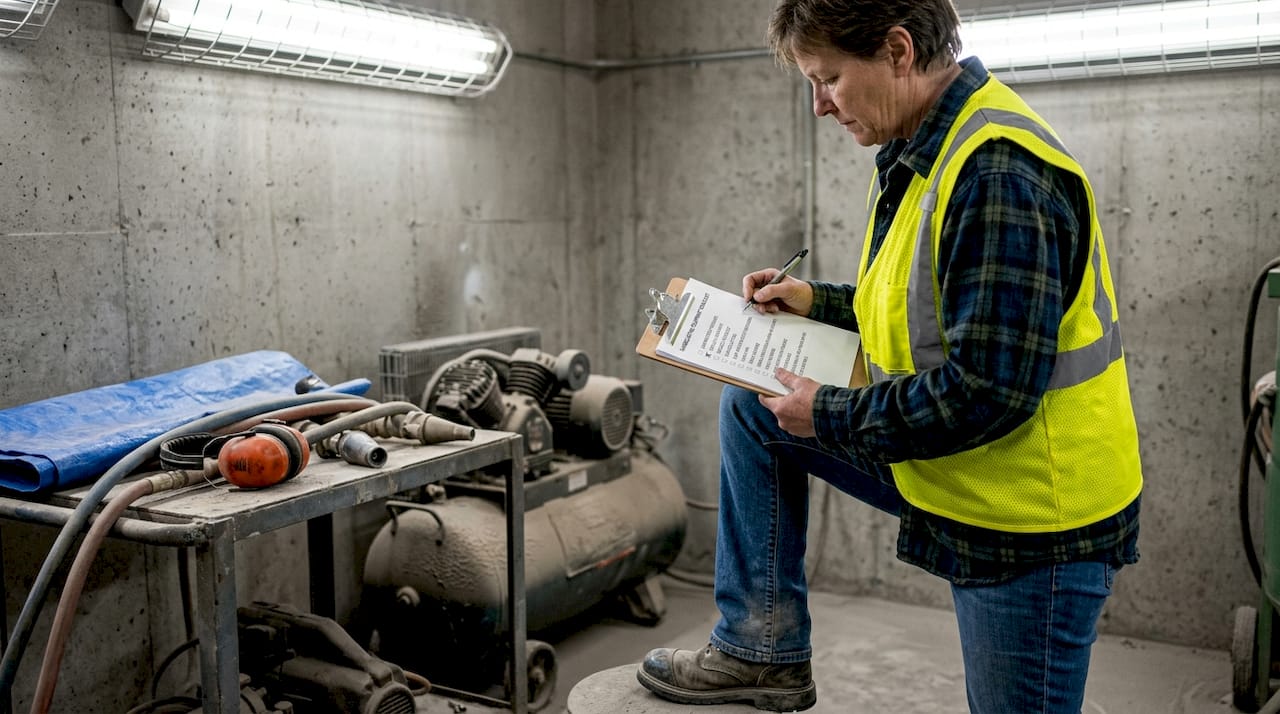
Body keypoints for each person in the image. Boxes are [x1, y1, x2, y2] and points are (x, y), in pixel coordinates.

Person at [635, 0, 1143, 712]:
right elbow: (916, 308)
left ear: (898, 51)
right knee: (755, 409)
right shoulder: (916, 150)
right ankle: (762, 650)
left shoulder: (996, 175)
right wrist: (815, 300)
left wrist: (831, 415)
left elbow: (986, 393)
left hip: (1034, 519)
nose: (819, 105)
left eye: (830, 78)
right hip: (967, 467)